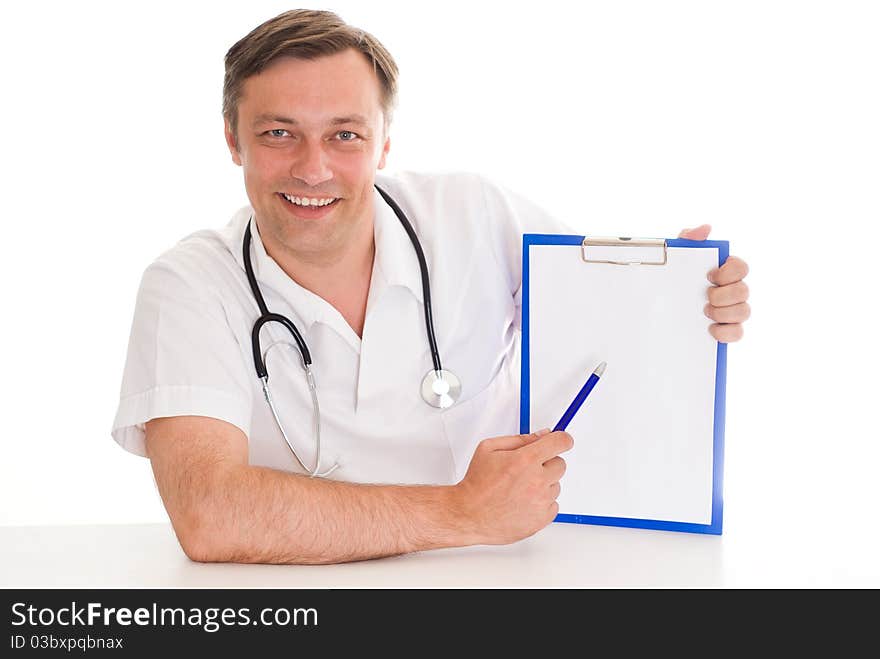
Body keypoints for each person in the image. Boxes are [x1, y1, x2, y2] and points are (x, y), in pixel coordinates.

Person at [111, 9, 751, 565]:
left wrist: (688, 302)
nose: (313, 167)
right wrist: (462, 513)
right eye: (278, 133)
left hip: (501, 573)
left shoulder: (473, 215)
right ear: (233, 140)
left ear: (384, 142)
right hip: (302, 590)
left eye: (345, 135)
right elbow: (212, 516)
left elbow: (611, 338)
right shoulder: (189, 285)